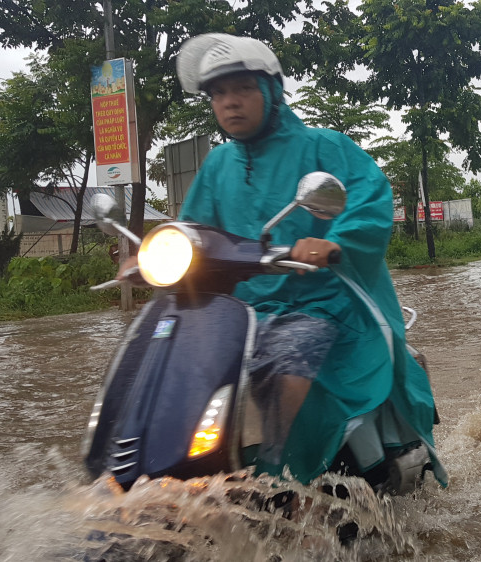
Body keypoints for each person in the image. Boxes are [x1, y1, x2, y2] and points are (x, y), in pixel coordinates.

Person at [169, 33, 446, 486]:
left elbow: (368, 195)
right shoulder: (217, 164)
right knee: (180, 362)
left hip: (320, 300)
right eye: (219, 93)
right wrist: (155, 258)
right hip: (243, 309)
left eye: (241, 88)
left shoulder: (325, 147)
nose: (229, 103)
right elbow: (196, 230)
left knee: (289, 358)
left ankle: (280, 475)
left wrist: (333, 242)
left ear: (272, 91)